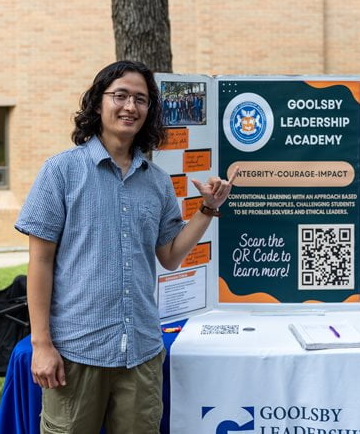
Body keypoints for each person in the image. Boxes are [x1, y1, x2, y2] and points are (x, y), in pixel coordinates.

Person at [15, 60, 237, 433]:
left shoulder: (158, 182)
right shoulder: (60, 172)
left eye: (141, 99)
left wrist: (208, 209)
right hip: (76, 352)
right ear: (97, 103)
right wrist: (41, 345)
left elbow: (170, 256)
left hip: (141, 353)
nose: (130, 107)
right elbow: (40, 262)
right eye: (120, 96)